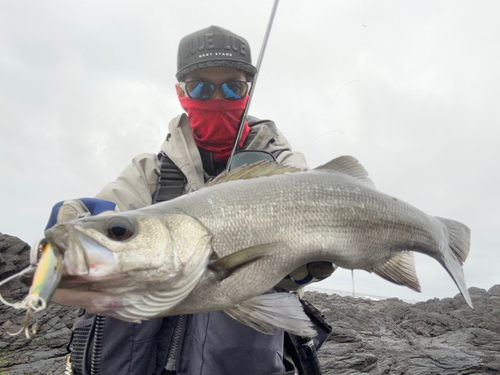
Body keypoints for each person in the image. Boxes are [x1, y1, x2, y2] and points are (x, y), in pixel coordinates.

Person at [49, 26, 333, 375]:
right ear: (180, 92)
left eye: (232, 86)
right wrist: (74, 223)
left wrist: (297, 272)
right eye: (200, 86)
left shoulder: (286, 169)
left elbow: (311, 227)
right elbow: (109, 215)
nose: (216, 98)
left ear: (249, 91)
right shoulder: (148, 170)